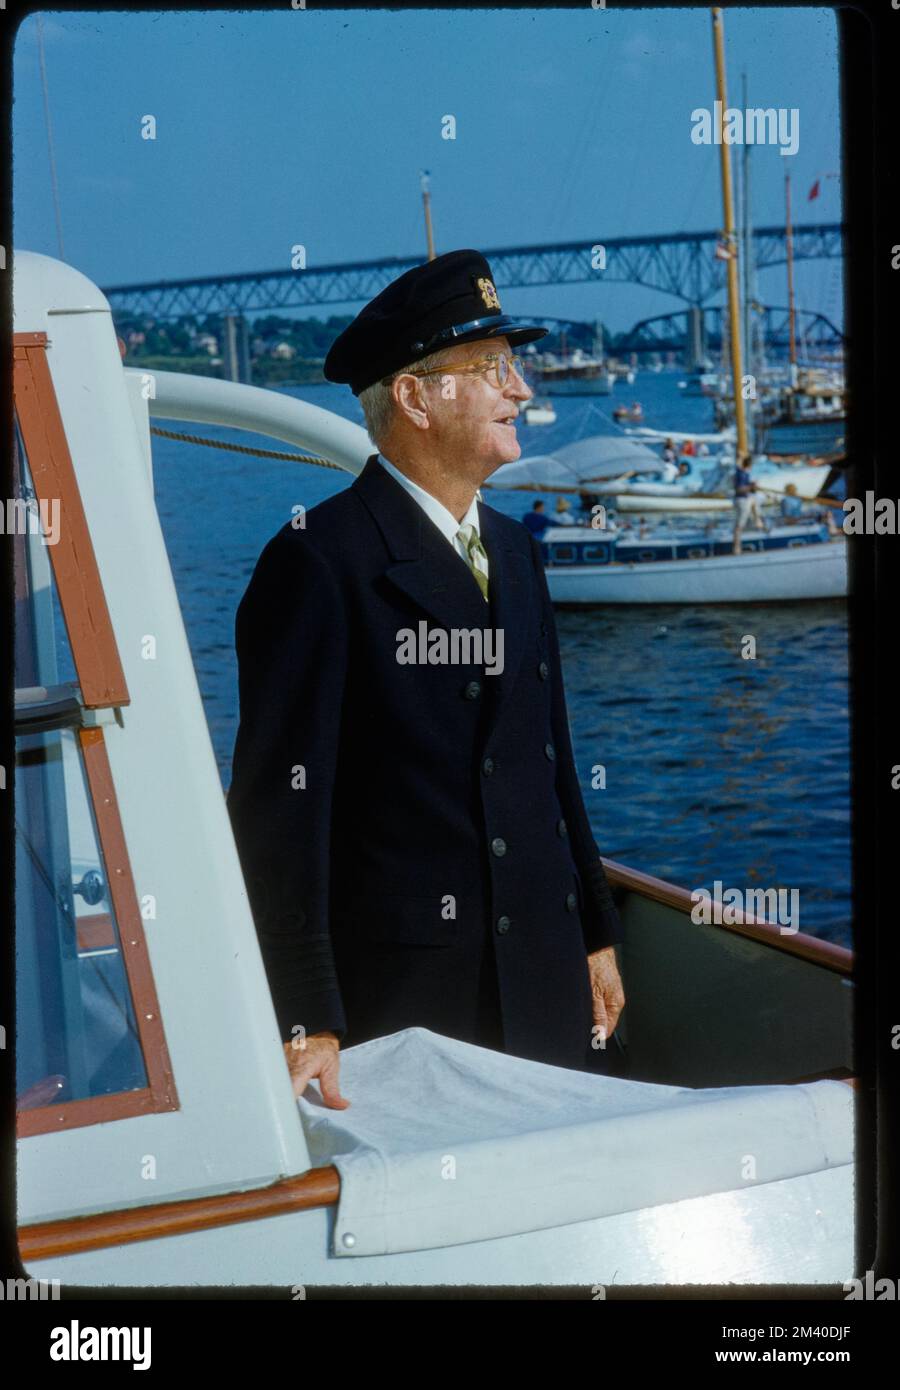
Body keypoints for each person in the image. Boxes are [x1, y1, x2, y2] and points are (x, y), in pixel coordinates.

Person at [228, 249, 625, 1109]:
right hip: (414, 1010)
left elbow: (551, 763)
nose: (519, 389)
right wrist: (307, 1017)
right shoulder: (319, 564)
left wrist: (595, 932)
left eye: (511, 367)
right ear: (415, 397)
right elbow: (279, 817)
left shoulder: (518, 554)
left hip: (548, 981)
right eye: (491, 368)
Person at [732, 458, 760, 554]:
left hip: (743, 499)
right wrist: (751, 487)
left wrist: (751, 486)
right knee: (739, 526)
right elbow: (739, 489)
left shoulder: (742, 473)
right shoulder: (742, 475)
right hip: (742, 500)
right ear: (749, 466)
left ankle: (757, 522)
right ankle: (736, 548)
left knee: (754, 501)